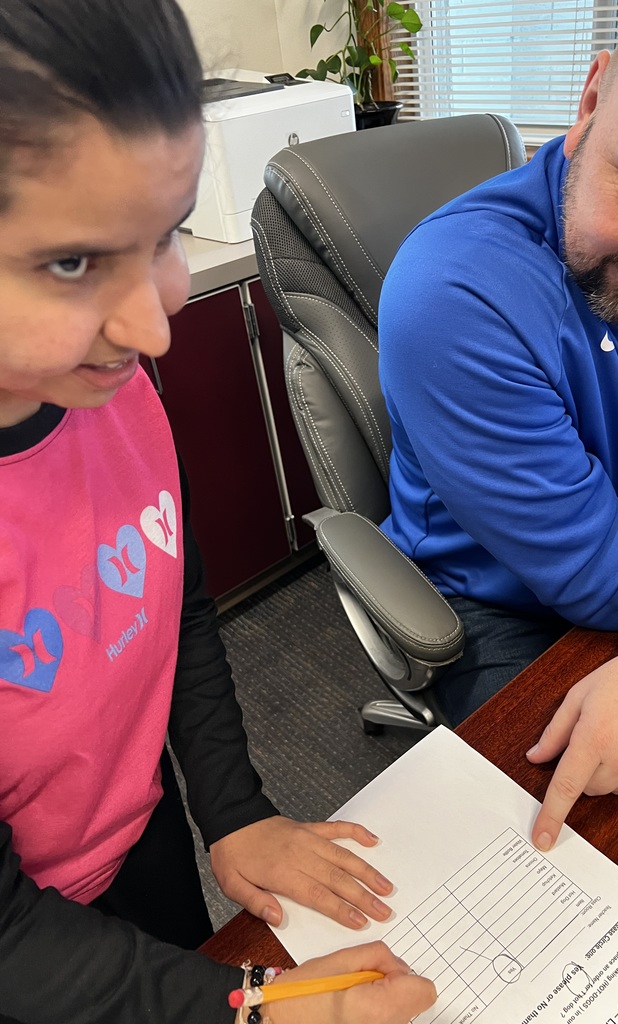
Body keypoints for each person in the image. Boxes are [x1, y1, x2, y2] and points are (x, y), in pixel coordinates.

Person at [0, 1, 437, 1022]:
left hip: (131, 836)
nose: (153, 326)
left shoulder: (106, 388)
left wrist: (231, 812)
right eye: (72, 262)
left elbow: (174, 608)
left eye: (164, 234)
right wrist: (259, 1008)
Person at [378, 0, 618, 853]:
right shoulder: (452, 296)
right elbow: (596, 569)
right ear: (589, 102)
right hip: (499, 604)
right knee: (608, 857)